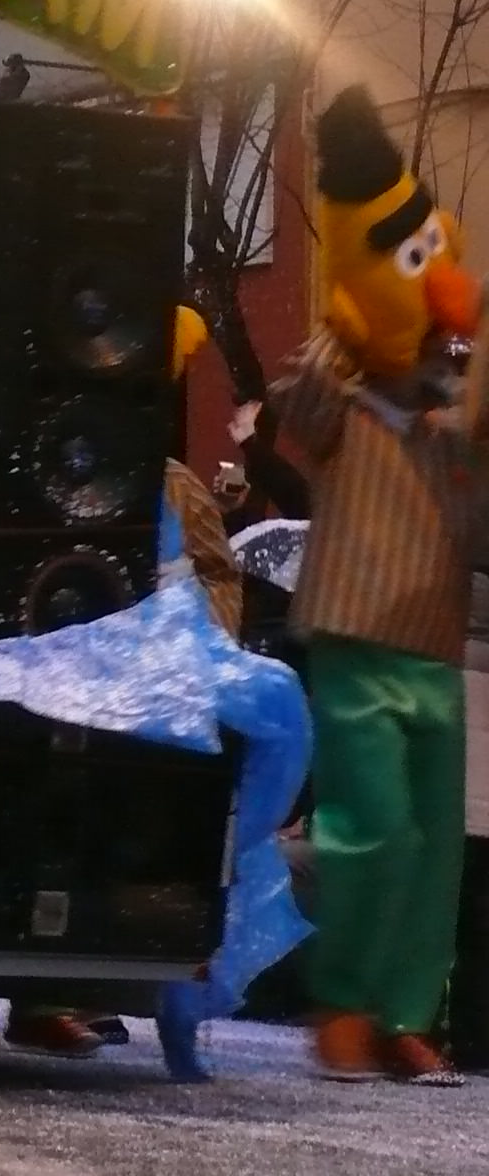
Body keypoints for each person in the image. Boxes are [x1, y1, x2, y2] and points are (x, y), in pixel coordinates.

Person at [270, 86, 483, 1087]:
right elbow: (299, 397)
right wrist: (355, 313)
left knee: (435, 847)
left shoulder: (451, 433)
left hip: (434, 645)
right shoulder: (340, 407)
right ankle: (346, 1001)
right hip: (354, 635)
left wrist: (456, 354)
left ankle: (408, 1013)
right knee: (371, 830)